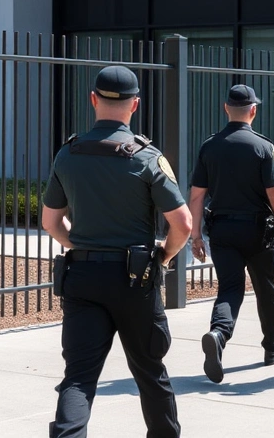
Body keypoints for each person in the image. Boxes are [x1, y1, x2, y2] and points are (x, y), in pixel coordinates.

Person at [41, 65, 191, 438]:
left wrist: (83, 246)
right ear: (135, 105)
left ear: (93, 99)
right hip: (134, 280)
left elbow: (51, 223)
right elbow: (183, 224)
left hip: (83, 278)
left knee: (78, 377)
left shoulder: (68, 154)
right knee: (149, 371)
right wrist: (165, 256)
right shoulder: (146, 157)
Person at [188, 84, 274, 384]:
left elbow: (196, 196)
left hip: (222, 230)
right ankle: (273, 345)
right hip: (258, 231)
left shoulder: (209, 146)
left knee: (230, 289)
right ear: (254, 110)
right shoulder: (263, 147)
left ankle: (218, 335)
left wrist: (195, 237)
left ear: (225, 109)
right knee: (265, 287)